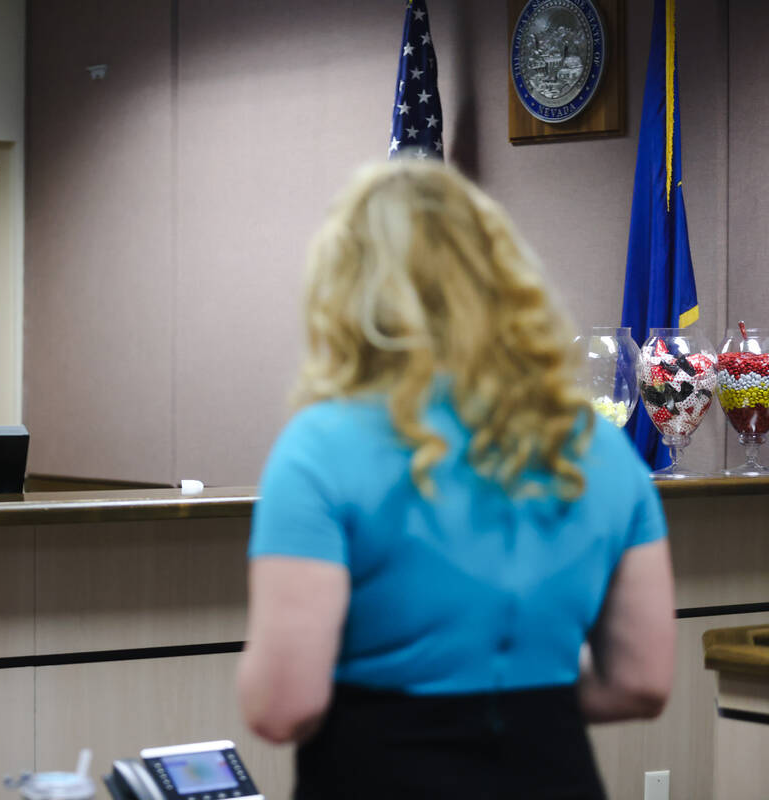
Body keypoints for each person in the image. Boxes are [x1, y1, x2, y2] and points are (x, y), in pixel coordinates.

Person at [236, 161, 675, 799]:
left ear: (345, 293)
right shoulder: (601, 449)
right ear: (501, 280)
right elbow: (641, 681)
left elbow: (282, 705)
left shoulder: (320, 448)